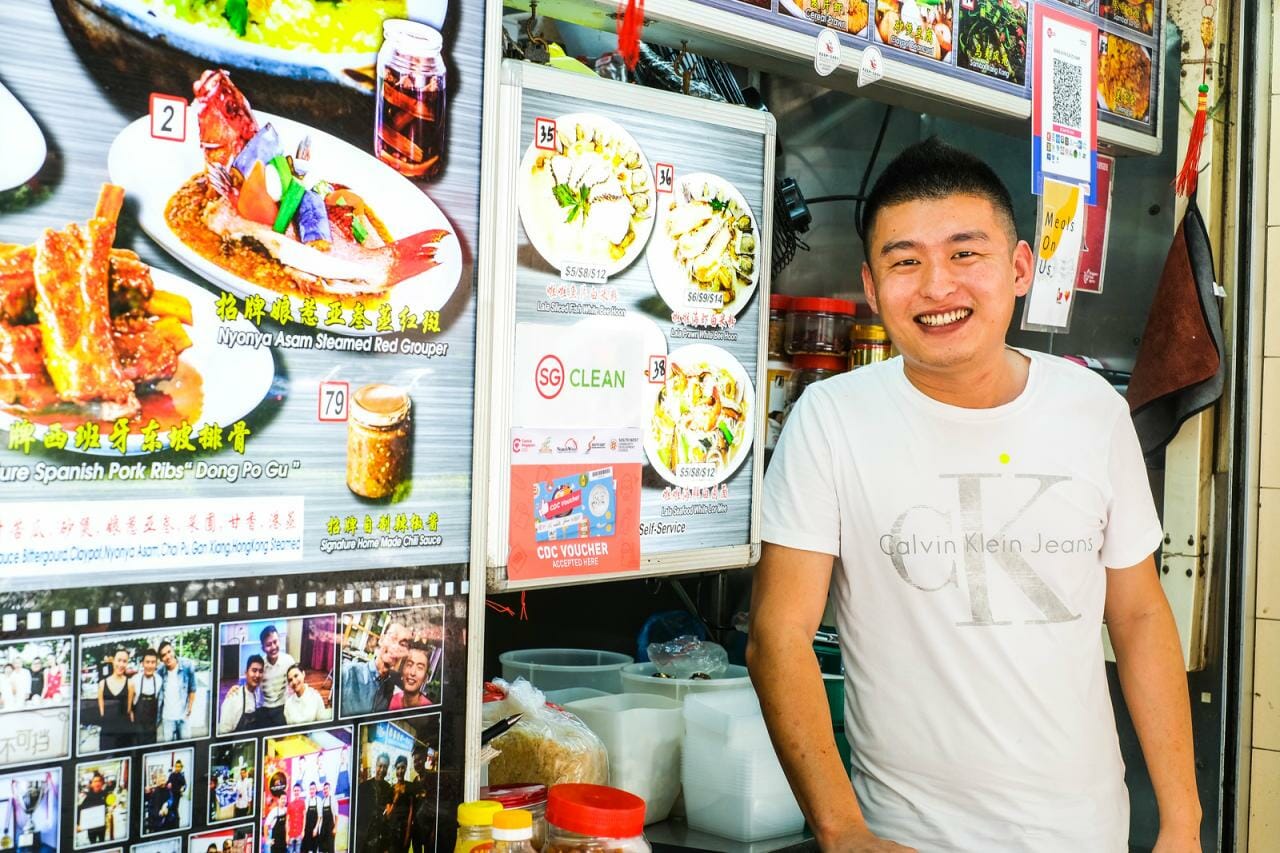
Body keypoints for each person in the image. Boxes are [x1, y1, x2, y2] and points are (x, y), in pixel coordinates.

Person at [751, 137, 1202, 853]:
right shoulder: (830, 419)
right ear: (871, 287)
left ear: (1019, 267)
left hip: (1084, 833)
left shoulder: (1092, 410)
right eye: (906, 261)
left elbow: (1141, 614)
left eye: (965, 253)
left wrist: (1182, 820)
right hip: (905, 838)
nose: (936, 286)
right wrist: (843, 831)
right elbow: (778, 634)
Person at [341, 623, 408, 716]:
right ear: (381, 639)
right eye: (393, 638)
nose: (396, 647)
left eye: (403, 644)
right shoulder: (349, 673)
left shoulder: (390, 688)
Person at [158, 640, 198, 742]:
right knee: (169, 750)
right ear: (161, 659)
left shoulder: (187, 666)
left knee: (185, 747)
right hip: (167, 718)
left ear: (173, 651)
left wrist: (189, 707)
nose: (167, 656)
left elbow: (192, 689)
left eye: (169, 652)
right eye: (163, 655)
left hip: (183, 717)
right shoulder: (160, 672)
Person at [96, 648, 134, 751]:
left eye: (124, 661)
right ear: (113, 660)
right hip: (107, 734)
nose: (121, 664)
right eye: (119, 660)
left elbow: (129, 709)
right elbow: (102, 712)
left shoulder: (130, 684)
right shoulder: (102, 684)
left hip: (124, 734)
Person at [259, 626, 296, 728]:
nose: (273, 647)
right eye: (268, 644)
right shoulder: (260, 665)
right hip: (264, 707)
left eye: (275, 642)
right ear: (263, 648)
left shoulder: (288, 661)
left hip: (282, 706)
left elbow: (297, 684)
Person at [219, 655, 265, 735]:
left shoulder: (258, 696)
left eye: (260, 671)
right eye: (254, 671)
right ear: (246, 673)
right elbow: (223, 731)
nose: (257, 675)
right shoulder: (234, 697)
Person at [357, 754, 393, 853]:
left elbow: (388, 817)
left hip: (379, 841)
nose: (382, 769)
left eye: (385, 767)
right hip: (363, 839)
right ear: (375, 766)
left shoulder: (389, 789)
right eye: (380, 766)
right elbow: (358, 815)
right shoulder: (363, 787)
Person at [130, 648, 162, 746]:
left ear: (156, 664)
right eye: (147, 662)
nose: (150, 665)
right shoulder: (135, 680)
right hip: (137, 724)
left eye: (153, 662)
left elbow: (159, 703)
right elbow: (130, 702)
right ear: (142, 663)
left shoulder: (159, 680)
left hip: (152, 726)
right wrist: (131, 715)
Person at [407, 749, 436, 853]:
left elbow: (436, 807)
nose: (417, 763)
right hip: (417, 829)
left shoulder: (432, 778)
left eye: (419, 760)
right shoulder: (415, 781)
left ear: (424, 759)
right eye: (415, 761)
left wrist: (434, 831)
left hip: (429, 829)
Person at [387, 644, 432, 711]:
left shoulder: (428, 711)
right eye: (409, 665)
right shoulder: (393, 699)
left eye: (419, 668)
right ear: (402, 670)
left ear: (425, 678)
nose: (412, 673)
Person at [385, 757, 412, 853]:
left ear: (406, 768)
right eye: (398, 768)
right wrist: (395, 798)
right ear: (395, 769)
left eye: (402, 768)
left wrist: (407, 835)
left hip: (405, 830)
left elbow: (411, 812)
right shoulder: (391, 789)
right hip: (392, 830)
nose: (400, 771)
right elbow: (388, 814)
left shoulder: (410, 787)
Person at [76, 772, 110, 845]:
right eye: (95, 781)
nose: (97, 783)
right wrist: (78, 824)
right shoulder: (86, 796)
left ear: (102, 783)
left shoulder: (105, 794)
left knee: (102, 843)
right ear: (91, 784)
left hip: (102, 826)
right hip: (91, 827)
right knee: (93, 844)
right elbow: (79, 810)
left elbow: (110, 804)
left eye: (99, 781)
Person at [165, 759, 188, 830]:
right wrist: (168, 784)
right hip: (171, 794)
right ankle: (171, 823)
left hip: (177, 794)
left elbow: (185, 785)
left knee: (175, 808)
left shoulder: (181, 775)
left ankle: (176, 823)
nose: (177, 768)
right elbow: (167, 782)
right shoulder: (172, 775)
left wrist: (182, 789)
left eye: (179, 767)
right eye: (176, 766)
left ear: (181, 767)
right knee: (170, 807)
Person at [318, 782, 337, 853]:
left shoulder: (333, 799)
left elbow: (336, 815)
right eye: (324, 789)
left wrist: (335, 828)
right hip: (323, 828)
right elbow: (320, 816)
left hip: (330, 828)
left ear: (329, 789)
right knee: (323, 849)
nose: (325, 790)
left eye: (326, 789)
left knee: (330, 849)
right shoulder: (322, 801)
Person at [287, 782, 306, 853]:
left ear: (300, 791)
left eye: (298, 790)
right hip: (291, 834)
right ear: (293, 791)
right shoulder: (290, 804)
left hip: (299, 833)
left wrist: (303, 831)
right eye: (295, 790)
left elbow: (304, 818)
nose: (296, 792)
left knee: (298, 851)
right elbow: (288, 821)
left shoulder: (303, 803)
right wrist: (287, 834)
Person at [302, 781, 320, 853]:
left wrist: (316, 828)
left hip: (315, 829)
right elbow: (304, 816)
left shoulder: (318, 800)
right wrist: (303, 830)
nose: (312, 791)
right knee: (305, 849)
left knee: (314, 849)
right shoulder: (306, 800)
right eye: (310, 789)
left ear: (316, 790)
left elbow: (320, 816)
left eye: (313, 789)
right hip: (307, 828)